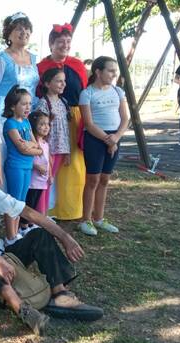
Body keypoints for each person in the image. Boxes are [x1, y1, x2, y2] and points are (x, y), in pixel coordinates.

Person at [0, 155, 103, 336]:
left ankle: (60, 294)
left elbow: (27, 212)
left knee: (39, 235)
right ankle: (23, 309)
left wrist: (64, 237)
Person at [37, 23, 88, 221]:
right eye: (60, 42)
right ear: (51, 43)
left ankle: (69, 209)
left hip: (73, 116)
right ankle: (45, 209)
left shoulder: (77, 65)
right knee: (46, 163)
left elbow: (83, 91)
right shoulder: (42, 67)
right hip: (49, 117)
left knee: (72, 164)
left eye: (68, 41)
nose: (65, 45)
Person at [78, 56, 129, 236]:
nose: (114, 74)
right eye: (110, 70)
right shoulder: (87, 93)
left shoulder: (118, 91)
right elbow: (89, 124)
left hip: (114, 138)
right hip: (95, 139)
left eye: (115, 70)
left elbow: (125, 118)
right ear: (98, 72)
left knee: (105, 180)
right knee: (92, 180)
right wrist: (109, 140)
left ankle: (99, 218)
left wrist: (116, 137)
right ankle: (86, 220)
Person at [2, 87, 42, 245]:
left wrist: (32, 147)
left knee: (21, 202)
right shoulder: (10, 124)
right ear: (13, 106)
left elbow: (36, 146)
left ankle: (16, 231)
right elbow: (22, 149)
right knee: (13, 201)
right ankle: (10, 236)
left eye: (30, 104)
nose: (28, 107)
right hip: (15, 167)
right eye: (24, 104)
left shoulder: (26, 122)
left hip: (27, 166)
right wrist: (32, 148)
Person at [0, 12, 39, 127]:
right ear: (9, 35)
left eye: (27, 28)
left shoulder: (33, 58)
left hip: (29, 111)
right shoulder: (1, 58)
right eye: (19, 29)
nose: (24, 32)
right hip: (6, 113)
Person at [35, 68, 70, 215]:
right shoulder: (43, 103)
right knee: (44, 181)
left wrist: (67, 151)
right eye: (59, 81)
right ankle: (40, 215)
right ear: (48, 84)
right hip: (49, 149)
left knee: (50, 180)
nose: (63, 84)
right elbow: (41, 129)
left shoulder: (63, 102)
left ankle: (44, 214)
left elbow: (65, 128)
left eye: (64, 81)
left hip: (61, 148)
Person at [20, 111, 52, 233]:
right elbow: (29, 159)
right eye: (42, 124)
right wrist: (37, 167)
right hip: (33, 180)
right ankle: (23, 225)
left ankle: (30, 223)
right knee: (29, 201)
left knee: (36, 202)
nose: (46, 127)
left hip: (42, 181)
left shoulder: (45, 144)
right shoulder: (33, 143)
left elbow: (47, 161)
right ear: (34, 126)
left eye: (47, 124)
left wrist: (50, 175)